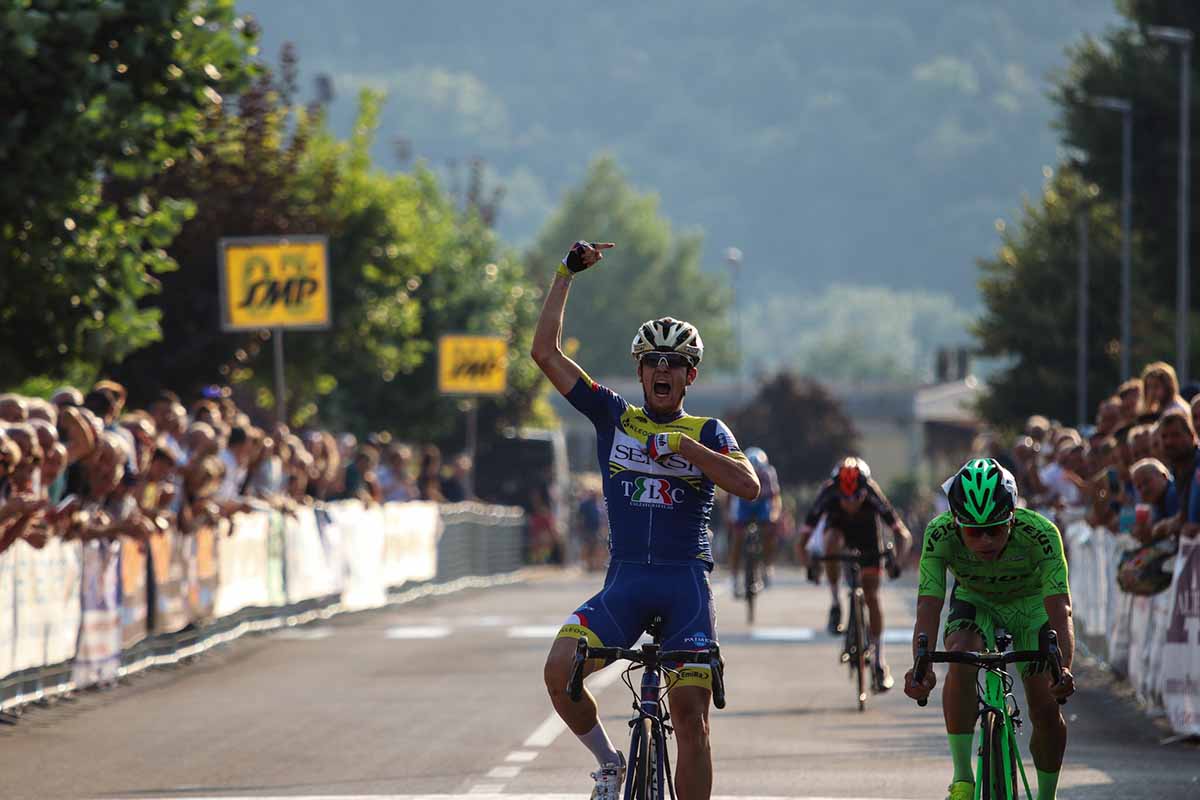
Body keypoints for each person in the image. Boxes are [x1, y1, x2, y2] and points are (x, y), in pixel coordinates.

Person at [532, 240, 759, 800]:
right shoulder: (614, 416)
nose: (662, 369)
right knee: (560, 669)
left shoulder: (709, 432)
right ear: (639, 370)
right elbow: (544, 352)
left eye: (674, 363)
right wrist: (565, 274)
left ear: (690, 376)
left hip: (685, 584)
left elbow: (747, 485)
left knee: (690, 721)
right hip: (626, 582)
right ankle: (610, 765)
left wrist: (684, 449)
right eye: (652, 361)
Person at [904, 458, 1075, 800]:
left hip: (1030, 606)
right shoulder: (939, 533)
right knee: (958, 656)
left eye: (995, 529)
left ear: (1012, 517)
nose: (984, 540)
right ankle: (963, 778)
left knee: (1044, 706)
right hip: (975, 599)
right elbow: (928, 605)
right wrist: (921, 667)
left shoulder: (1041, 533)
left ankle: (1046, 796)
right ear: (955, 522)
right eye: (972, 531)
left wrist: (1064, 668)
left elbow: (1060, 608)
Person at [797, 456, 910, 688]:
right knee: (831, 541)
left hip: (868, 536)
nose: (850, 504)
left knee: (872, 596)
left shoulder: (872, 493)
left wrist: (897, 562)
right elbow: (802, 540)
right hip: (839, 534)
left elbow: (902, 534)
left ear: (864, 491)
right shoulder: (828, 494)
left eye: (856, 498)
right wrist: (810, 565)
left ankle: (879, 660)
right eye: (844, 499)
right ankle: (835, 601)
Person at [727, 446, 780, 595]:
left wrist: (774, 514)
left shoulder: (769, 474)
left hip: (762, 503)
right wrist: (729, 515)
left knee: (768, 531)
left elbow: (775, 497)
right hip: (743, 503)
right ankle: (734, 577)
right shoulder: (738, 471)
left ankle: (767, 566)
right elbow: (730, 496)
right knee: (737, 538)